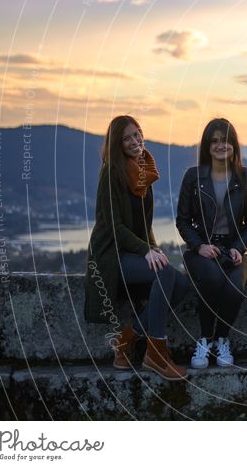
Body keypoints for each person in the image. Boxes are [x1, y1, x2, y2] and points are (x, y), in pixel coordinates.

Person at [84, 115, 189, 381]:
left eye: (137, 134)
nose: (135, 141)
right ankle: (156, 353)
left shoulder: (143, 173)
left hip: (133, 251)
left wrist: (153, 248)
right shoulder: (111, 173)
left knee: (182, 284)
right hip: (111, 255)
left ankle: (126, 340)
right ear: (117, 144)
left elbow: (143, 225)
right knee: (165, 274)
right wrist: (145, 250)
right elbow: (114, 226)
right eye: (127, 137)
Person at [176, 118, 247, 369]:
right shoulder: (193, 177)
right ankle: (204, 339)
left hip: (234, 250)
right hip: (200, 249)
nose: (220, 145)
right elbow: (182, 220)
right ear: (206, 145)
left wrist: (239, 247)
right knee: (212, 279)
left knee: (234, 289)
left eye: (225, 140)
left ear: (233, 145)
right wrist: (199, 246)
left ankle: (222, 339)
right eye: (214, 141)